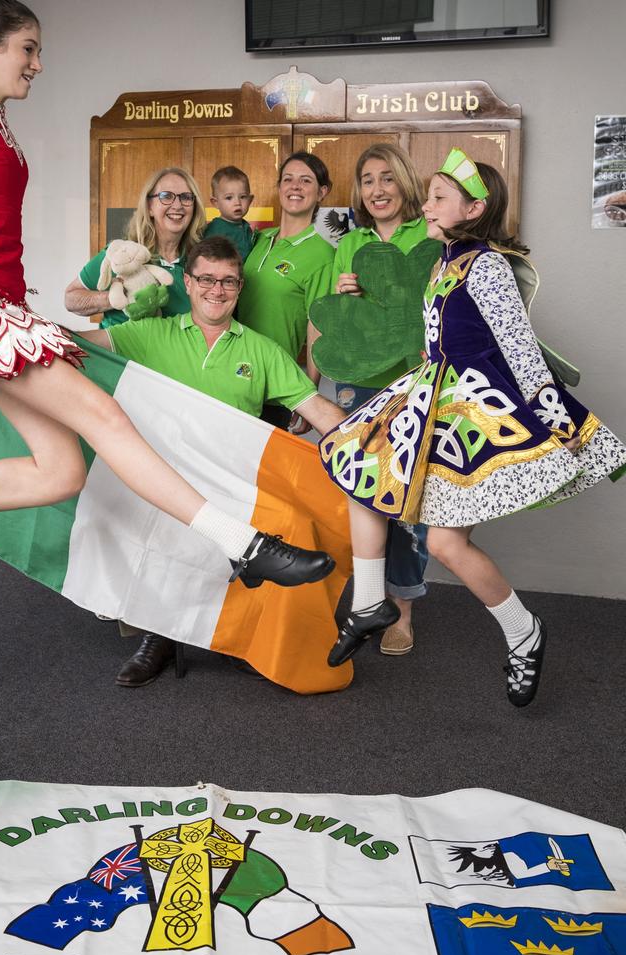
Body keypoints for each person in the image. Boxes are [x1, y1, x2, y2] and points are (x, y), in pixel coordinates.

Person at [0, 0, 335, 601]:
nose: (37, 63)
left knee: (60, 471)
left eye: (38, 51)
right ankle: (246, 545)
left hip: (0, 310)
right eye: (27, 49)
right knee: (108, 420)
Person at [319, 148, 626, 706]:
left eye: (439, 197)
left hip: (471, 408)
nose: (427, 204)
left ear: (473, 207)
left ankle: (522, 630)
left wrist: (564, 424)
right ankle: (369, 600)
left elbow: (521, 351)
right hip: (431, 393)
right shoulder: (442, 263)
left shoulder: (485, 265)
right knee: (363, 468)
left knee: (444, 542)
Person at [81, 235, 347, 686]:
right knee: (153, 515)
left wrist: (370, 447)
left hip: (233, 482)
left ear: (240, 288)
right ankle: (158, 634)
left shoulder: (261, 351)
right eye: (206, 279)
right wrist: (11, 330)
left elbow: (321, 412)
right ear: (188, 282)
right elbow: (77, 342)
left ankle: (244, 636)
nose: (216, 290)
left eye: (227, 282)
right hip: (166, 477)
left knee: (290, 523)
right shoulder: (149, 333)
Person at [321, 143, 433, 656]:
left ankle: (402, 611)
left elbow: (433, 308)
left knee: (408, 500)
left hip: (412, 381)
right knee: (362, 493)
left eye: (387, 178)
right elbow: (337, 319)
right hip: (358, 381)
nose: (377, 189)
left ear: (404, 183)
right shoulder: (350, 242)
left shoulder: (429, 232)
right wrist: (346, 299)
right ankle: (366, 599)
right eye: (367, 180)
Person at [236, 151, 335, 429]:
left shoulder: (322, 254)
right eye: (288, 179)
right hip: (229, 374)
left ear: (322, 192)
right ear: (279, 187)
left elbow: (318, 328)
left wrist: (308, 397)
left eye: (306, 181)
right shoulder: (258, 240)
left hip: (271, 387)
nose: (295, 186)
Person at [64, 166, 204, 328]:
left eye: (186, 197)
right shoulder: (123, 254)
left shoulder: (198, 262)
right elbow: (71, 298)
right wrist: (118, 298)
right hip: (120, 352)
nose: (177, 205)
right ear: (150, 207)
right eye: (166, 196)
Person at [204, 165, 256, 262]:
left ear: (250, 200)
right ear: (215, 203)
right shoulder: (215, 229)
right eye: (229, 198)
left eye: (243, 197)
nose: (237, 203)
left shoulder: (246, 227)